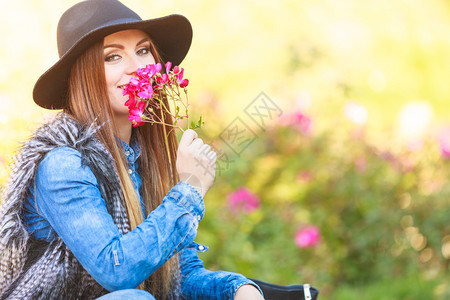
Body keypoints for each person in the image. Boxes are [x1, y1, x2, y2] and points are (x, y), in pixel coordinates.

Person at [0, 0, 264, 299]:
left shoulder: (145, 160)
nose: (137, 68)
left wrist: (237, 289)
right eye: (112, 57)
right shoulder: (64, 164)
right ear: (83, 76)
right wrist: (189, 190)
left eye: (142, 51)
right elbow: (118, 272)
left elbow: (178, 276)